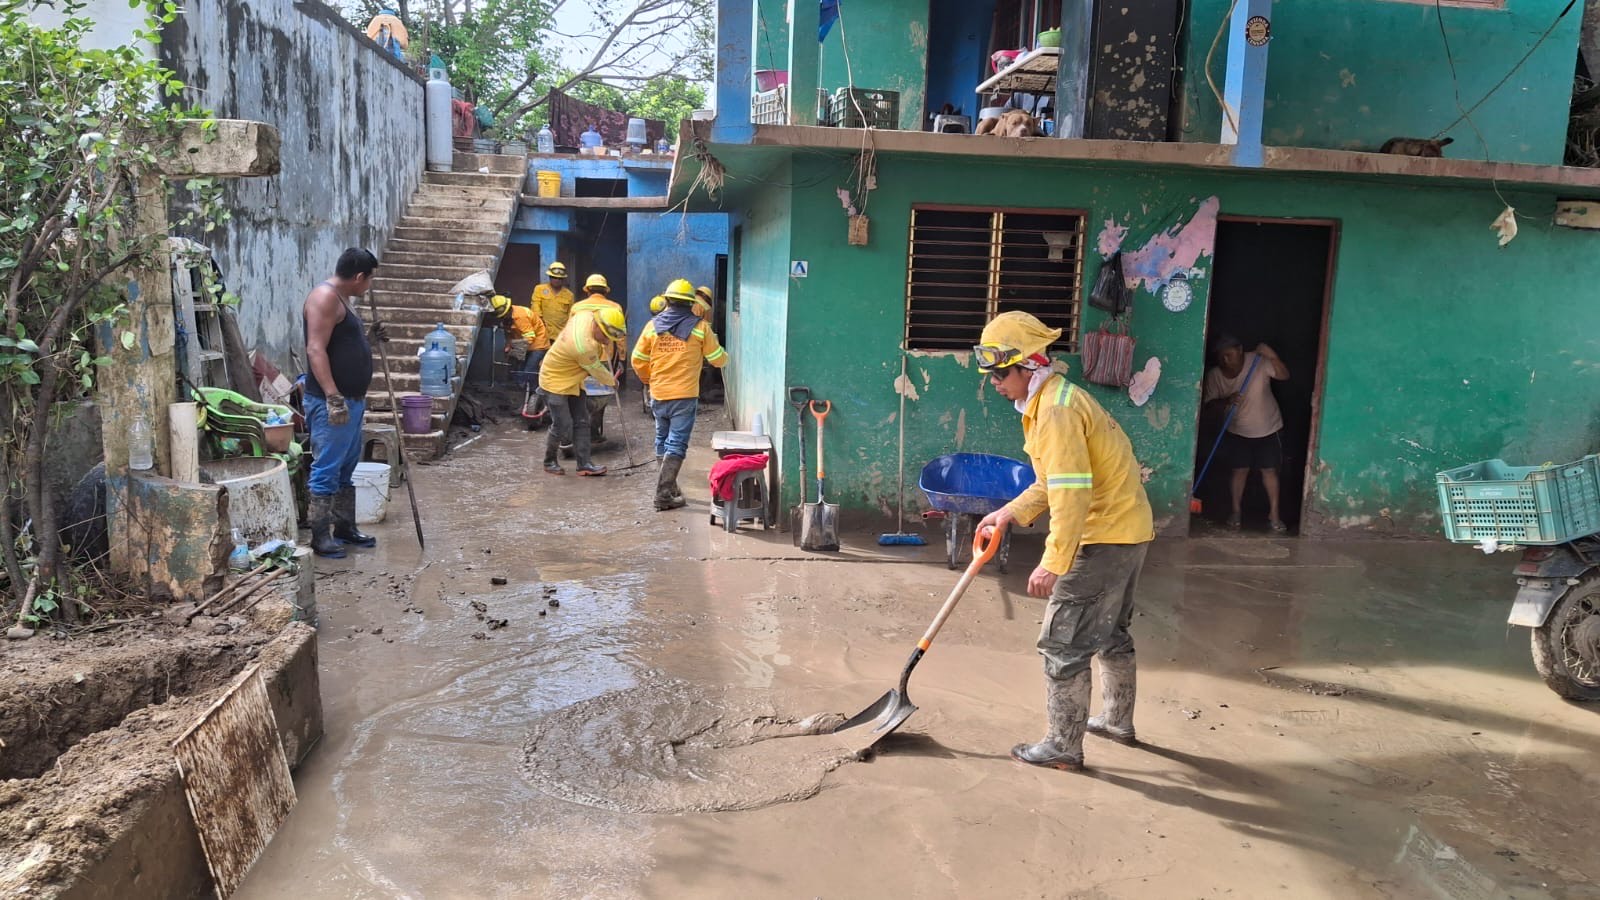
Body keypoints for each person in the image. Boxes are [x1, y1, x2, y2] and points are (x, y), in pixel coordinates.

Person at [974, 311, 1154, 772]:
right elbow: (1053, 481)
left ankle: (1062, 746)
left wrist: (1054, 561)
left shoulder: (1054, 410)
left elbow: (1072, 494)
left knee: (1062, 644)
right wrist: (1008, 512)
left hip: (1102, 537)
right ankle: (1115, 720)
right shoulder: (1054, 401)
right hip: (1128, 531)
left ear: (1028, 366)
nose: (994, 383)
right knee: (1111, 632)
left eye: (999, 373)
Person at [302, 248, 383, 559]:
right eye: (369, 280)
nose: (369, 287)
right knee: (327, 468)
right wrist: (333, 397)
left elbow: (343, 345)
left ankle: (345, 527)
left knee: (347, 467)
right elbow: (315, 350)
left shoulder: (341, 300)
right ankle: (320, 537)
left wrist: (369, 340)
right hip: (331, 403)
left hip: (352, 400)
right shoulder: (324, 298)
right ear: (359, 277)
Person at [631, 279, 728, 510]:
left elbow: (637, 360)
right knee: (676, 444)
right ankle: (663, 495)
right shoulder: (700, 327)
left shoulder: (652, 326)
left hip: (659, 393)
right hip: (684, 395)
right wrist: (724, 355)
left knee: (662, 439)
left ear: (667, 301)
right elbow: (717, 360)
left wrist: (648, 379)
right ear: (690, 303)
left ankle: (670, 487)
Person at [1202, 335, 1291, 533]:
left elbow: (1285, 376)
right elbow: (1207, 406)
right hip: (1236, 430)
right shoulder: (1215, 375)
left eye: (1230, 355)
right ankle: (1235, 512)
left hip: (1269, 427)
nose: (1226, 360)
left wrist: (1273, 356)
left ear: (1240, 350)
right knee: (1239, 470)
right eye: (1222, 357)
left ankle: (1274, 515)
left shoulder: (1258, 361)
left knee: (1269, 471)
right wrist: (1226, 400)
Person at [538, 306, 627, 476]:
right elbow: (597, 370)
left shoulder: (585, 315)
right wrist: (612, 382)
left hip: (574, 378)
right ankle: (549, 461)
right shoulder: (583, 347)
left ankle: (584, 464)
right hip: (554, 380)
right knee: (562, 424)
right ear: (597, 326)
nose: (608, 342)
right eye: (606, 337)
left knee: (582, 420)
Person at [533, 261, 575, 337]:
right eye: (554, 277)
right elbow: (535, 307)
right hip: (544, 333)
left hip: (561, 334)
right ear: (550, 277)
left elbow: (571, 315)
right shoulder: (539, 289)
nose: (557, 280)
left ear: (563, 279)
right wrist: (541, 324)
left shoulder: (569, 295)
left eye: (559, 278)